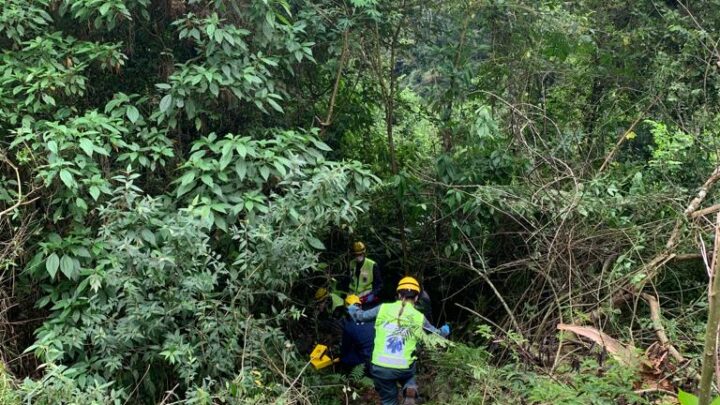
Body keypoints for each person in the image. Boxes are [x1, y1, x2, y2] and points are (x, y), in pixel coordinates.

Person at [349, 277, 450, 405]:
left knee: (388, 400)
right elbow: (437, 335)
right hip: (404, 367)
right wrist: (445, 330)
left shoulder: (383, 308)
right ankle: (409, 387)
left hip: (380, 367)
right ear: (417, 297)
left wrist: (352, 306)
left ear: (398, 294)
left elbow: (359, 317)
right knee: (410, 371)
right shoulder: (419, 317)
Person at [337, 241, 383, 308]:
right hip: (351, 296)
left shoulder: (372, 265)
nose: (358, 257)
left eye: (360, 254)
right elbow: (346, 281)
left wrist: (373, 294)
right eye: (356, 255)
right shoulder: (351, 264)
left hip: (365, 296)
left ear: (364, 253)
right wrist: (344, 294)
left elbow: (379, 284)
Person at [339, 294, 375, 374]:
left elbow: (345, 349)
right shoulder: (371, 319)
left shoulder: (349, 327)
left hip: (367, 361)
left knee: (346, 357)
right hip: (380, 357)